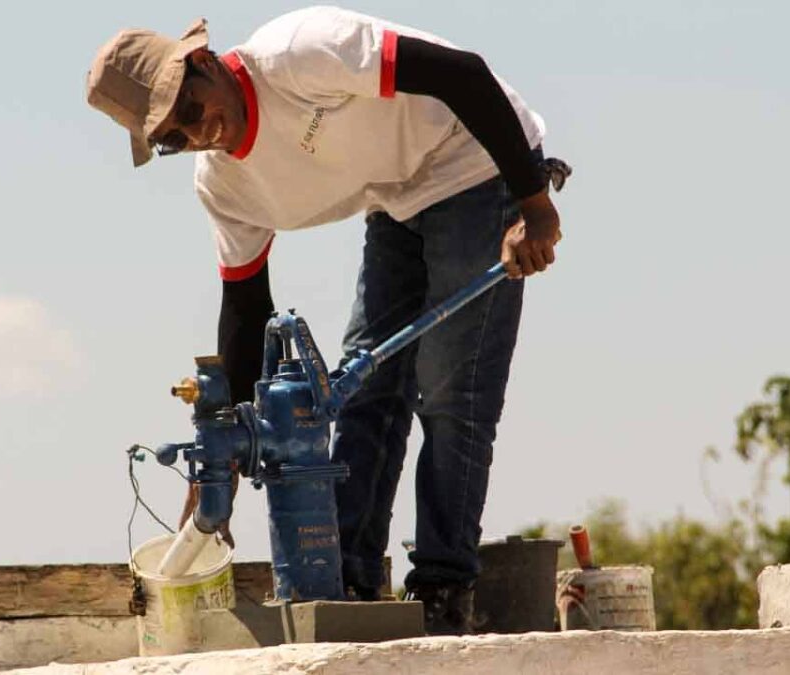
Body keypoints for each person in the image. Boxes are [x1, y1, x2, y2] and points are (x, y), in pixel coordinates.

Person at [87, 6, 567, 634]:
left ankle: (445, 585)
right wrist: (220, 458)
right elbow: (244, 310)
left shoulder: (299, 53)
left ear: (204, 64)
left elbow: (465, 76)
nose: (197, 133)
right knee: (361, 390)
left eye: (190, 109)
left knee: (452, 389)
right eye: (173, 138)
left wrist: (533, 203)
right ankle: (350, 581)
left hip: (476, 158)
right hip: (396, 193)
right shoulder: (225, 187)